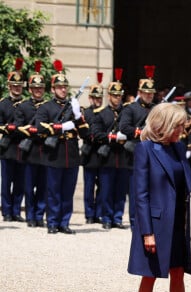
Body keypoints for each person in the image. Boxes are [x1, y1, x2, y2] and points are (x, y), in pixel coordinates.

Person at [127, 103, 191, 292]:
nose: (181, 130)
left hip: (178, 224)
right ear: (164, 124)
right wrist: (146, 232)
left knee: (178, 275)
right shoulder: (145, 149)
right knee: (150, 276)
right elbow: (141, 194)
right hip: (155, 226)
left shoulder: (179, 148)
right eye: (178, 126)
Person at [35, 60, 87, 234]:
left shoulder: (73, 107)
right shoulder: (46, 107)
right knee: (53, 191)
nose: (63, 89)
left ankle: (64, 222)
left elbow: (85, 133)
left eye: (65, 87)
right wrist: (61, 127)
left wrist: (78, 115)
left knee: (67, 191)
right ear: (52, 89)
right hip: (54, 154)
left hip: (71, 155)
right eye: (59, 87)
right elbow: (40, 128)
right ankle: (52, 222)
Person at [91, 69, 130, 230]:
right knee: (106, 190)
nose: (117, 98)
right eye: (115, 95)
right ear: (109, 96)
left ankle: (117, 217)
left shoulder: (126, 112)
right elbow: (96, 133)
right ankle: (106, 217)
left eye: (120, 95)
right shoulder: (101, 113)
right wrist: (113, 137)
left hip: (122, 156)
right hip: (107, 156)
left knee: (121, 190)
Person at [118, 65, 157, 228]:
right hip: (137, 152)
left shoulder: (156, 109)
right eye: (146, 93)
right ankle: (135, 221)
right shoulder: (131, 109)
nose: (148, 96)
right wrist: (141, 131)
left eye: (151, 93)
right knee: (137, 190)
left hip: (154, 153)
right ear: (139, 93)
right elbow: (124, 127)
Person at [14, 61, 47, 227]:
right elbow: (17, 128)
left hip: (45, 152)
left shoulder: (48, 106)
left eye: (40, 88)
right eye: (35, 88)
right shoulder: (23, 106)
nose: (38, 91)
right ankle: (30, 215)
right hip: (29, 151)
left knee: (42, 187)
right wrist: (30, 130)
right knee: (28, 187)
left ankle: (40, 215)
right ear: (30, 90)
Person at [0, 58, 26, 222]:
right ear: (9, 86)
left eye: (19, 86)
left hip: (22, 147)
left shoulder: (26, 104)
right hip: (7, 146)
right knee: (6, 181)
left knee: (20, 182)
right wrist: (6, 128)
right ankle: (6, 211)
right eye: (14, 86)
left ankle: (16, 211)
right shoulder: (2, 104)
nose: (17, 88)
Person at [81, 74, 104, 224]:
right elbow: (83, 131)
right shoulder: (85, 113)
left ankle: (99, 213)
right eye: (95, 98)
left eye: (99, 98)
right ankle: (89, 214)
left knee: (102, 186)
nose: (97, 100)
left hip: (102, 152)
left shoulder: (105, 112)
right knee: (89, 186)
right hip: (89, 152)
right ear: (90, 98)